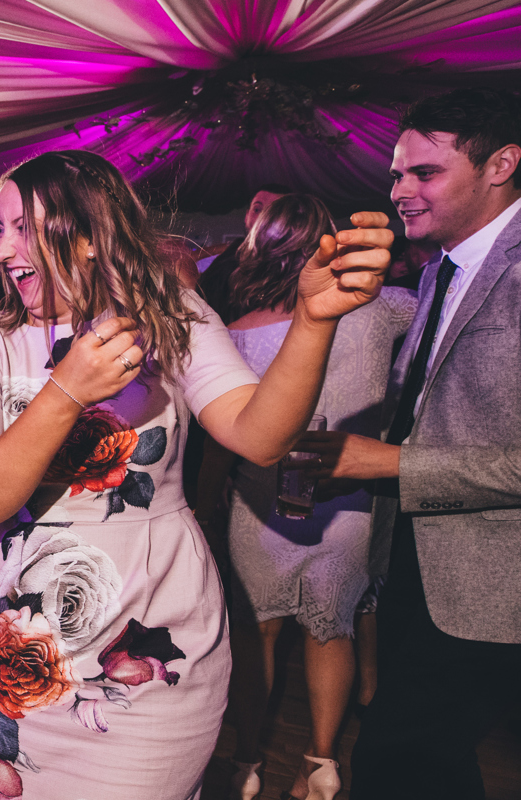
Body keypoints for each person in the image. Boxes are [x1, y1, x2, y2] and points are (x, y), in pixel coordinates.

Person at [0, 150, 392, 799]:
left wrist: (315, 322)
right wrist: (67, 389)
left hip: (149, 659)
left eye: (24, 226)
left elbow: (260, 438)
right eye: (0, 225)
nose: (4, 247)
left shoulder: (170, 315)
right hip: (21, 663)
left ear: (91, 235)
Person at [303, 87, 521, 800]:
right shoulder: (438, 271)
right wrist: (360, 463)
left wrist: (392, 463)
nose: (398, 190)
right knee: (430, 766)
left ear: (502, 164)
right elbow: (439, 413)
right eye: (396, 173)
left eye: (422, 173)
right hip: (414, 563)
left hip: (495, 584)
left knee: (399, 762)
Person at [194, 194, 417, 800]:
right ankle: (321, 762)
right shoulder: (383, 310)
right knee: (331, 630)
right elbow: (442, 334)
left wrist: (205, 502)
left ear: (257, 246)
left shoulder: (233, 337)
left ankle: (245, 762)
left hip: (259, 501)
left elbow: (221, 443)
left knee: (256, 634)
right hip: (347, 498)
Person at [198, 183, 291, 324]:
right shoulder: (229, 255)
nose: (262, 218)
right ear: (247, 216)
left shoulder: (290, 267)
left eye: (273, 213)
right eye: (257, 209)